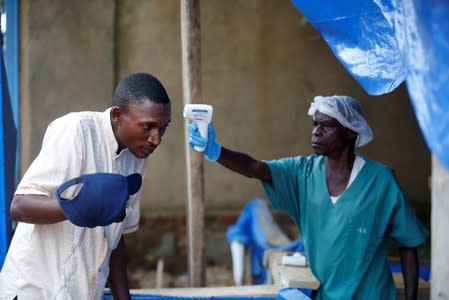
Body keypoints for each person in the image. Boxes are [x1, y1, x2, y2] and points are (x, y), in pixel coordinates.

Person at [187, 95, 428, 299]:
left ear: (350, 133)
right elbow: (254, 167)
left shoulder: (381, 181)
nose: (316, 132)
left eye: (327, 126)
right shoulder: (302, 173)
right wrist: (215, 150)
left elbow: (408, 246)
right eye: (314, 124)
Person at [0, 72, 172, 300]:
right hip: (34, 291)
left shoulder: (138, 157)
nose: (156, 138)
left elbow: (115, 239)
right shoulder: (76, 130)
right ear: (118, 115)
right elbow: (19, 206)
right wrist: (78, 207)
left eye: (163, 128)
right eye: (148, 127)